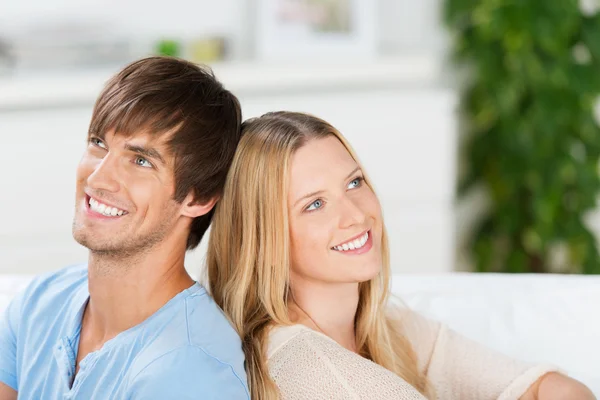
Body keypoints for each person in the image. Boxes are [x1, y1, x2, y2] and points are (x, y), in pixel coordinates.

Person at [206, 111, 596, 399]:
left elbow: (547, 386)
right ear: (263, 237)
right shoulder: (307, 365)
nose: (357, 214)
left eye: (354, 182)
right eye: (315, 204)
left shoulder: (384, 327)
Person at [0, 57, 249, 400]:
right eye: (98, 143)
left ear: (198, 197)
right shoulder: (40, 302)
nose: (98, 177)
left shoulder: (191, 370)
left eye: (141, 160)